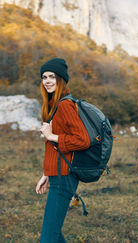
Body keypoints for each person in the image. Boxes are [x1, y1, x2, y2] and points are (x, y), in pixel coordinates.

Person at [35, 58, 90, 242]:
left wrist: (52, 136)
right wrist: (46, 174)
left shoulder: (65, 105)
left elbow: (83, 140)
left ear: (61, 80)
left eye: (52, 77)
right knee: (54, 234)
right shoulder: (53, 105)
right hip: (57, 175)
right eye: (44, 77)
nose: (47, 81)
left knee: (48, 238)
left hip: (65, 178)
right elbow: (54, 150)